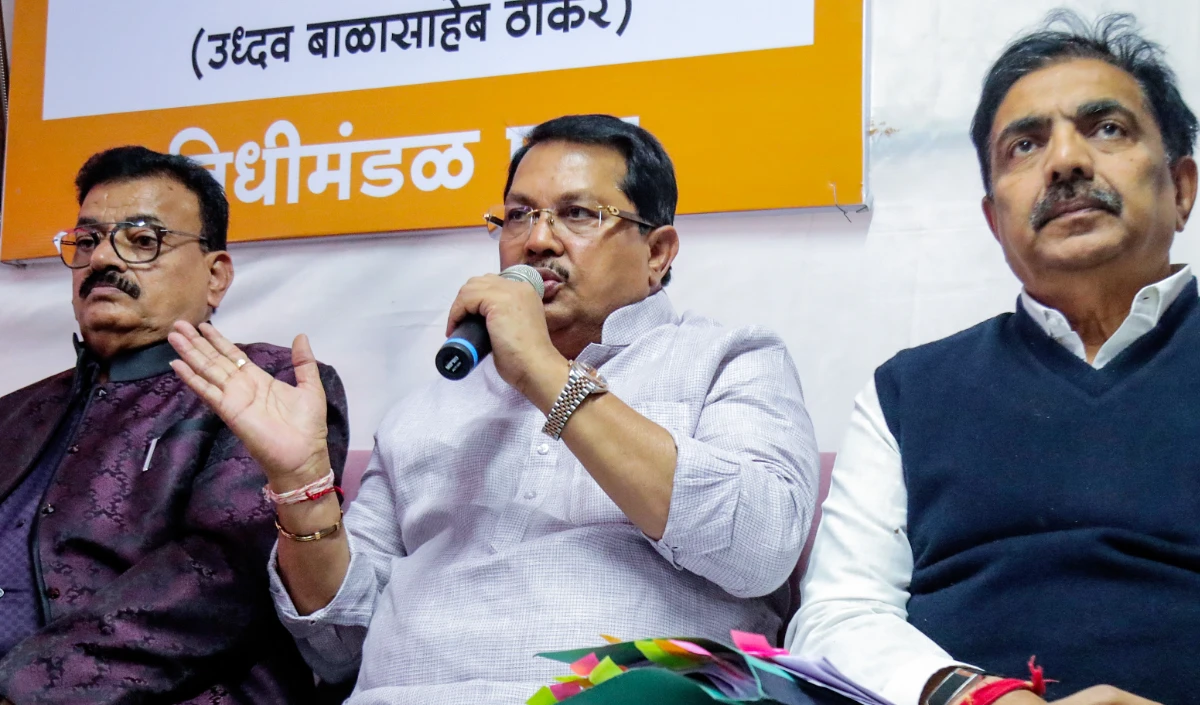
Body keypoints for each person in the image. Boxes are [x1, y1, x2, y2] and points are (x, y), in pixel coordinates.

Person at [168, 114, 820, 703]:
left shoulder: (728, 358)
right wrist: (302, 484)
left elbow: (759, 550)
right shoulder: (426, 409)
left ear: (658, 252)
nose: (537, 241)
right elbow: (340, 645)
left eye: (578, 214)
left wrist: (545, 373)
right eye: (517, 216)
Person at [788, 11, 1198, 705]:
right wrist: (976, 696)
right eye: (1025, 146)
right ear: (994, 220)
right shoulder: (908, 392)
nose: (1065, 161)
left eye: (1106, 128)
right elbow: (838, 614)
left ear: (1181, 187)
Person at [0, 146, 350, 704]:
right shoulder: (15, 413)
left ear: (216, 277)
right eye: (87, 240)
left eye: (142, 240)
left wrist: (22, 688)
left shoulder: (272, 389)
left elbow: (222, 577)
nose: (101, 259)